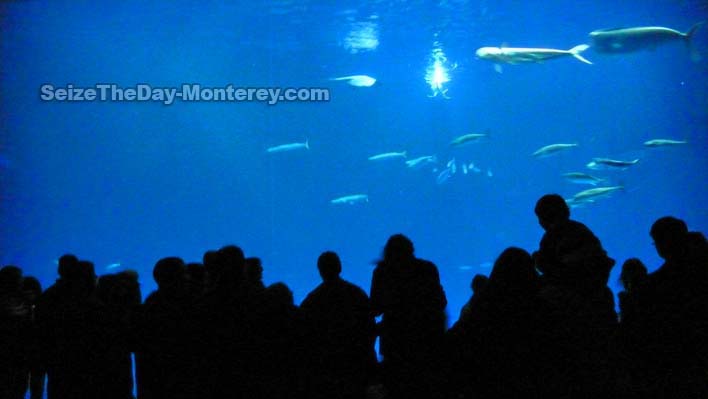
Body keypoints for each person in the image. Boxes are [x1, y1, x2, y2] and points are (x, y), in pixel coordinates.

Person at [370, 234, 447, 399]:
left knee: (397, 388)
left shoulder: (382, 272)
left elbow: (375, 308)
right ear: (411, 249)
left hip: (394, 341)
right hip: (426, 340)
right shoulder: (428, 269)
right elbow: (441, 302)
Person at [300, 251, 376, 399]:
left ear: (320, 271)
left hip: (325, 369)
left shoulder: (312, 300)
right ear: (340, 267)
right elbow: (370, 328)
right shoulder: (356, 294)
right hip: (355, 366)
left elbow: (305, 336)